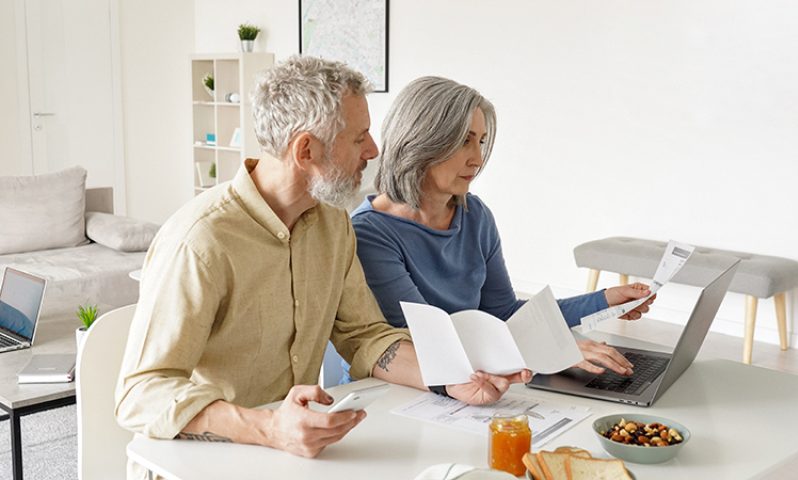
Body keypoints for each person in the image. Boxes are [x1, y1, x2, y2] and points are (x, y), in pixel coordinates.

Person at [115, 58, 531, 480]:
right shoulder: (201, 241)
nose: (373, 151)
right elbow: (140, 393)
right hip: (199, 461)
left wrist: (448, 379)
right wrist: (270, 428)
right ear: (306, 150)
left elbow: (366, 337)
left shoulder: (333, 225)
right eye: (358, 138)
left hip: (288, 454)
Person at [350, 76, 655, 377]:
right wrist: (553, 349)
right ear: (420, 141)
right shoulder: (371, 234)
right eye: (464, 141)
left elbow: (506, 314)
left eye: (481, 142)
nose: (478, 159)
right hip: (402, 391)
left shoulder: (475, 215)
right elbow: (431, 339)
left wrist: (603, 301)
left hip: (469, 380)